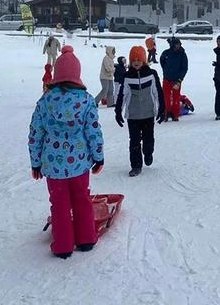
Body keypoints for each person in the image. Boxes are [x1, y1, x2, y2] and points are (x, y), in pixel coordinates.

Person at [29, 45, 104, 259]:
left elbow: (36, 133)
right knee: (82, 199)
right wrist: (98, 156)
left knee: (59, 204)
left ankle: (63, 245)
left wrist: (36, 162)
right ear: (77, 75)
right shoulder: (86, 100)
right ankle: (86, 238)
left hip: (53, 165)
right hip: (79, 163)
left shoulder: (45, 101)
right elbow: (93, 132)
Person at [114, 46, 163, 177]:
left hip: (148, 114)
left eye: (139, 59)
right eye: (133, 59)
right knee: (134, 141)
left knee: (148, 139)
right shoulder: (127, 76)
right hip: (133, 116)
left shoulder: (151, 74)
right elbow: (122, 95)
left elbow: (158, 92)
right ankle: (136, 166)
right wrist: (118, 111)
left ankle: (148, 152)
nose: (136, 62)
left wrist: (162, 108)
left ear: (144, 60)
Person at [159, 37, 188, 121]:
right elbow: (162, 62)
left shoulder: (182, 54)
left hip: (176, 80)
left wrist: (180, 79)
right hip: (167, 79)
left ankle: (175, 114)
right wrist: (166, 71)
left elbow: (184, 68)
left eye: (179, 44)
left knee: (176, 97)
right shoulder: (166, 53)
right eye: (176, 45)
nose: (178, 46)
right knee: (166, 97)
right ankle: (166, 113)